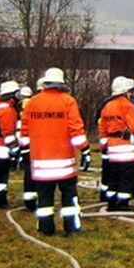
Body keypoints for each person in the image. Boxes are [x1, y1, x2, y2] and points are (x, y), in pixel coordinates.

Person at [22, 67, 91, 236]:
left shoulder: (32, 102)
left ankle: (46, 229)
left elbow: (24, 131)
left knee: (44, 198)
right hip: (64, 164)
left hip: (41, 163)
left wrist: (25, 152)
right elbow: (76, 129)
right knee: (69, 197)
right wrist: (85, 150)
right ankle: (72, 228)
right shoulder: (68, 101)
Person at [98, 76, 134, 211]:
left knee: (113, 178)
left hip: (112, 150)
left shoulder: (106, 106)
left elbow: (102, 129)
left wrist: (104, 145)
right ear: (125, 91)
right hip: (126, 149)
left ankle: (111, 202)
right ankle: (123, 203)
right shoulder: (127, 105)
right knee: (126, 178)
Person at [16, 85, 37, 211]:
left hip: (24, 144)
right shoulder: (34, 106)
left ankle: (29, 201)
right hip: (35, 146)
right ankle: (32, 201)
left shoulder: (17, 109)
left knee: (28, 173)